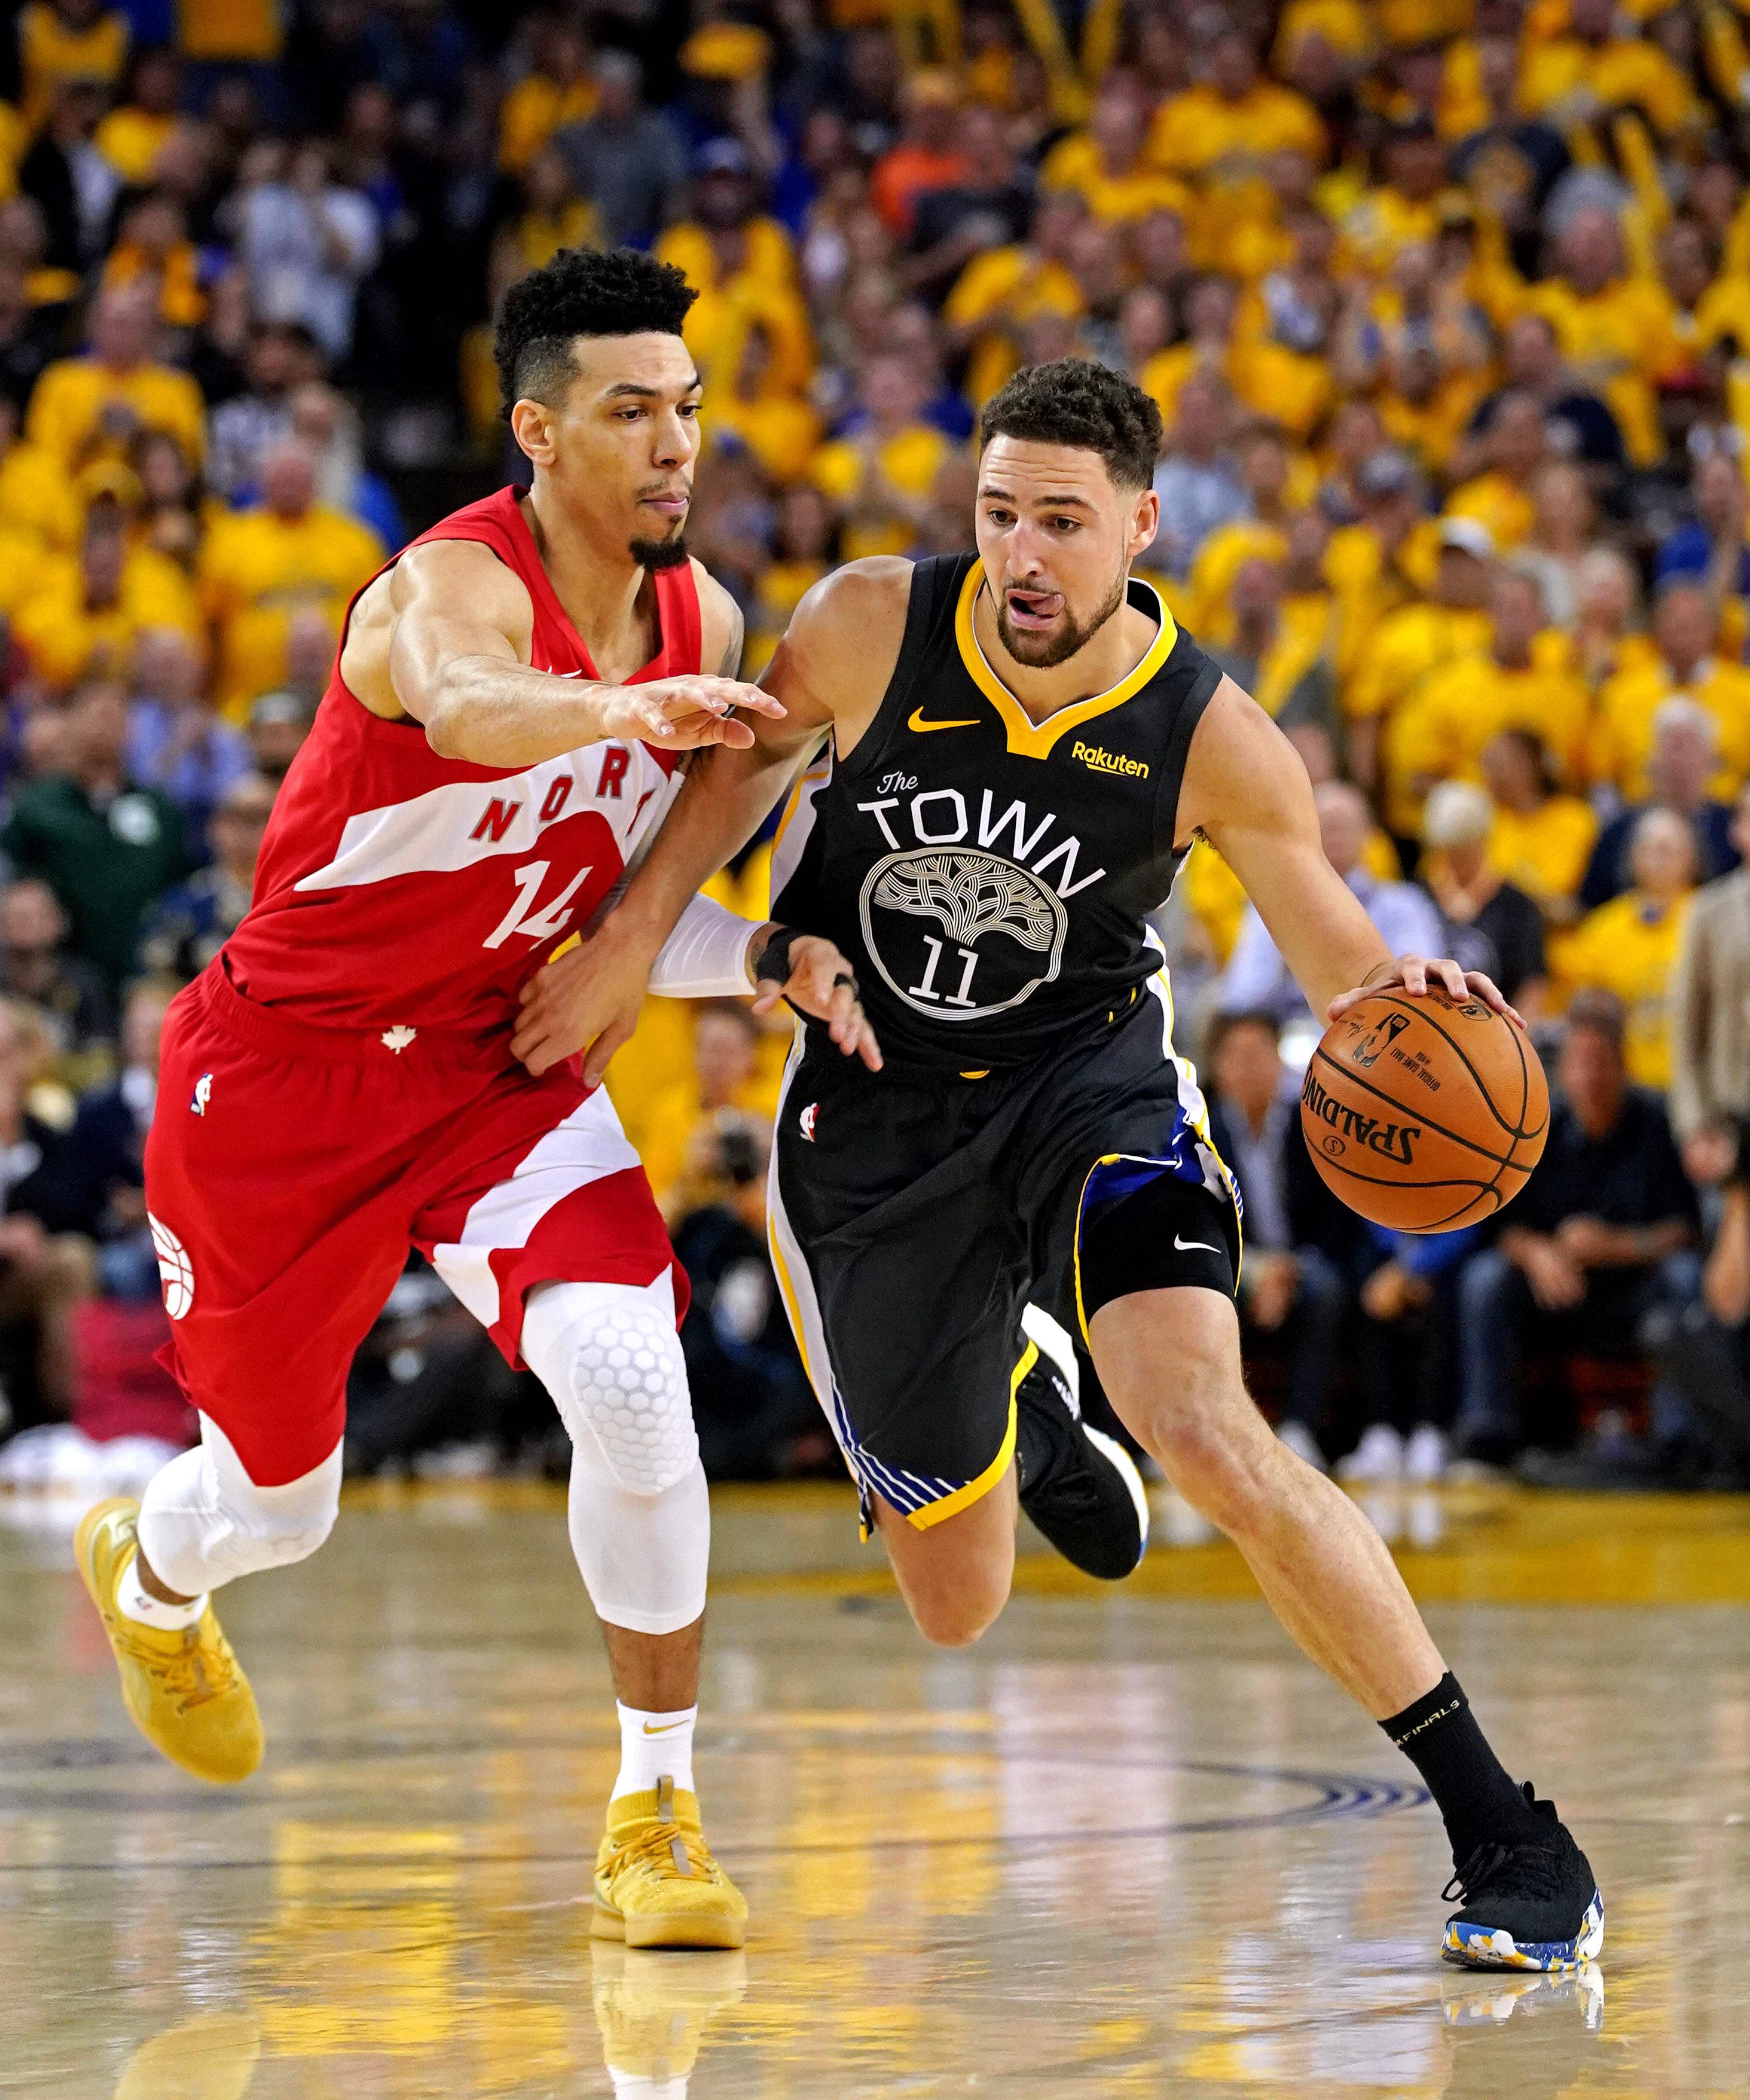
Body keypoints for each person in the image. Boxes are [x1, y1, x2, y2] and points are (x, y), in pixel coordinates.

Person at [528, 356, 1606, 1970]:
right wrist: (627, 946)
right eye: (997, 515)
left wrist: (1400, 997)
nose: (1022, 554)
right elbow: (718, 788)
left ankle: (1504, 1830)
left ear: (1140, 526)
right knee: (954, 1600)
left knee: (1205, 1430)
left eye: (1061, 522)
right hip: (870, 1127)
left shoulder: (1210, 733)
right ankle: (1025, 1391)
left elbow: (1335, 955)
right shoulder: (870, 626)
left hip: (1086, 1095)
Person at [71, 247, 878, 1957]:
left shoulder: (704, 623)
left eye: (687, 409)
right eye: (630, 411)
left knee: (633, 1385)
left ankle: (655, 1809)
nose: (675, 444)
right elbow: (465, 704)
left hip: (491, 1065)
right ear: (537, 430)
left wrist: (757, 958)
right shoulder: (440, 591)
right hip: (277, 1084)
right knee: (280, 1506)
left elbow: (614, 912)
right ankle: (153, 1571)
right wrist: (618, 709)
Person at [1455, 991, 1701, 1481]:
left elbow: (1687, 1231)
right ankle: (1488, 1437)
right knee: (1485, 1279)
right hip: (1557, 1289)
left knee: (1685, 1277)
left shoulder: (1658, 1122)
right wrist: (1538, 1255)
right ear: (1562, 1070)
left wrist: (1616, 1246)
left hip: (1634, 1289)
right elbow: (1503, 1225)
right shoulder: (1536, 1125)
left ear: (1622, 1067)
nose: (1588, 1077)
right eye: (1577, 1063)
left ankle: (1678, 1441)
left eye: (1599, 1063)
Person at [1202, 1010, 1352, 1473]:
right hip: (1232, 1264)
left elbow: (1334, 1219)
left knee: (1326, 1290)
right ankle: (1212, 1433)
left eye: (1259, 1055)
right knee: (1198, 1295)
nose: (1249, 1068)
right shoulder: (1197, 1134)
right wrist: (1257, 1271)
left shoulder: (1312, 1125)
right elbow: (1199, 1225)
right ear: (1217, 1068)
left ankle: (1299, 1430)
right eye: (1237, 1056)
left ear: (1279, 1063)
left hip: (1303, 1261)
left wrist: (1288, 1268)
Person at [1217, 781, 1443, 1034]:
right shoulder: (1270, 904)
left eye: (1344, 826)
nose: (1335, 834)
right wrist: (1286, 951)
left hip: (1376, 1035)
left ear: (1369, 833)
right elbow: (1240, 999)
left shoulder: (1403, 904)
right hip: (1285, 1039)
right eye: (1325, 825)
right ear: (1304, 832)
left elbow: (1419, 988)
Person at [1669, 784, 1750, 1176]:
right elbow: (1686, 1024)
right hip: (1728, 1116)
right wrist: (1693, 1125)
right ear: (1737, 829)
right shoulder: (1707, 911)